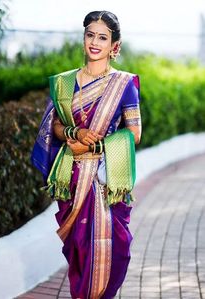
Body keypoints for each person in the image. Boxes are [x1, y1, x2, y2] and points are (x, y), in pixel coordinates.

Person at [31, 10, 142, 299]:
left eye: (102, 37)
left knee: (117, 250)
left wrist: (95, 145)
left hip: (106, 181)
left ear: (114, 45)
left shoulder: (124, 85)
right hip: (73, 178)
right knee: (80, 250)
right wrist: (74, 134)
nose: (95, 42)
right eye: (90, 34)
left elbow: (134, 132)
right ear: (84, 39)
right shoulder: (65, 83)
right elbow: (55, 124)